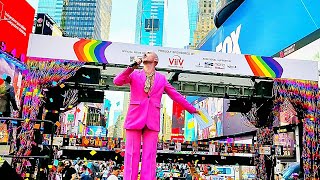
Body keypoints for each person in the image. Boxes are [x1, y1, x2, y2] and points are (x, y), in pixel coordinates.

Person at [113, 51, 199, 180]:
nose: (145, 54)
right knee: (131, 154)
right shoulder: (134, 74)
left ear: (156, 61)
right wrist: (132, 66)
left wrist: (192, 109)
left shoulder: (162, 78)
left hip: (152, 120)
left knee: (150, 155)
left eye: (149, 53)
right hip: (134, 118)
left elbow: (175, 95)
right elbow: (117, 81)